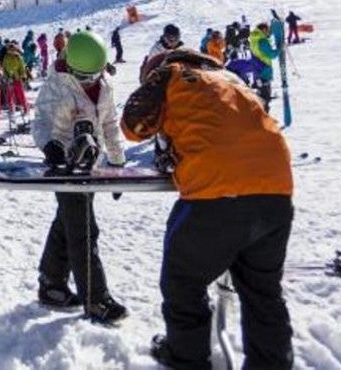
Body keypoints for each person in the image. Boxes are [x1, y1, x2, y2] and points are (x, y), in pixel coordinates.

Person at [121, 49, 294, 369]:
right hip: (276, 190)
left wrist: (154, 92)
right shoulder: (233, 79)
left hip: (215, 192)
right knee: (263, 292)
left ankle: (187, 358)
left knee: (183, 282)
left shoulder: (170, 73)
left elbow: (134, 126)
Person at [32, 31, 128, 325]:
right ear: (70, 66)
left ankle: (52, 284)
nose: (89, 82)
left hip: (91, 162)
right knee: (84, 228)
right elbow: (42, 122)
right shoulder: (57, 85)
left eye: (93, 76)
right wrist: (50, 146)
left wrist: (117, 162)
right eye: (83, 77)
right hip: (63, 163)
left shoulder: (105, 84)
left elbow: (110, 123)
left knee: (67, 221)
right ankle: (95, 299)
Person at [249, 22, 279, 112]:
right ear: (264, 30)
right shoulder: (262, 40)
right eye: (268, 31)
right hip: (264, 70)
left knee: (261, 96)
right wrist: (280, 49)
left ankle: (261, 118)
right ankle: (264, 120)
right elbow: (271, 54)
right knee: (265, 97)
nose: (268, 33)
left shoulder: (253, 39)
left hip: (257, 70)